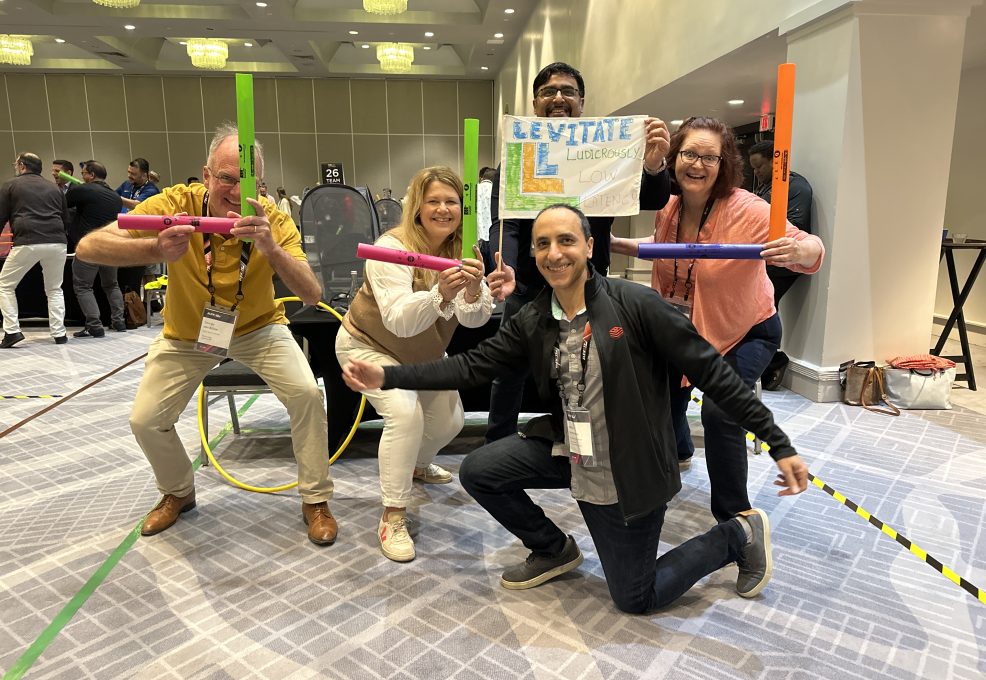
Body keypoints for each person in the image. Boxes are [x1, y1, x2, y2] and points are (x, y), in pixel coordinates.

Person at [342, 204, 809, 612]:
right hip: (574, 454)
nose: (554, 252)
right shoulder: (532, 318)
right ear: (533, 256)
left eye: (566, 240)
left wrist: (778, 443)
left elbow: (714, 373)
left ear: (589, 246)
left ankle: (739, 535)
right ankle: (553, 548)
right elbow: (470, 367)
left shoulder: (637, 305)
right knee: (481, 470)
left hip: (630, 471)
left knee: (635, 596)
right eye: (543, 243)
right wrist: (388, 375)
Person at [76, 123, 338, 545]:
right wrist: (154, 250)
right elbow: (90, 246)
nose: (236, 191)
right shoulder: (175, 203)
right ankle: (178, 491)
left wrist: (270, 247)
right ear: (207, 173)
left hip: (258, 328)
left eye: (248, 181)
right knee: (145, 419)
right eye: (227, 179)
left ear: (263, 184)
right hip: (186, 335)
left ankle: (315, 498)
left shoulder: (272, 218)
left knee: (307, 394)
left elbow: (311, 293)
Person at [611, 116, 823, 523]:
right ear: (675, 158)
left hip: (743, 332)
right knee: (651, 394)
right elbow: (662, 247)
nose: (698, 164)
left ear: (724, 164)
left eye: (710, 157)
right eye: (690, 153)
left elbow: (808, 245)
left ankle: (736, 521)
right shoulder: (669, 206)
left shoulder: (747, 208)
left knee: (719, 412)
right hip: (682, 330)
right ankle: (679, 451)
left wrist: (803, 252)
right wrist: (613, 243)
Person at [486, 61, 673, 443]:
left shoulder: (606, 153)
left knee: (584, 368)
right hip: (528, 286)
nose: (558, 98)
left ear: (581, 102)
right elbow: (505, 224)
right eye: (548, 91)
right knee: (509, 370)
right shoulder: (520, 156)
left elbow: (653, 197)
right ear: (535, 104)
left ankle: (577, 441)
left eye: (567, 92)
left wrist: (654, 164)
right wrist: (504, 264)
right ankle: (497, 444)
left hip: (588, 288)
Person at [335, 166, 492, 562]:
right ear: (417, 207)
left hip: (422, 354)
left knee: (450, 421)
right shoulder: (392, 246)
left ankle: (417, 467)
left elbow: (475, 320)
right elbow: (399, 322)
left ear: (463, 207)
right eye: (433, 201)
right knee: (406, 416)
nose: (442, 209)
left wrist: (474, 290)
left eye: (451, 201)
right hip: (367, 344)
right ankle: (393, 513)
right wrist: (440, 294)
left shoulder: (466, 249)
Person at [747, 139, 816, 389]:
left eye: (759, 167)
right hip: (766, 260)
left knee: (764, 310)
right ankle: (766, 364)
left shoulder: (795, 187)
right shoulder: (767, 189)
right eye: (753, 168)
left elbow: (794, 229)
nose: (756, 173)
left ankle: (771, 363)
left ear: (775, 163)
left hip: (782, 264)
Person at [0, 152, 70, 348]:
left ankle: (12, 331)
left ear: (22, 165)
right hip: (57, 241)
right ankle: (59, 333)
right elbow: (65, 219)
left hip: (28, 239)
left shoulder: (11, 185)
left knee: (5, 285)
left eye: (16, 163)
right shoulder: (55, 188)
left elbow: (1, 216)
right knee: (55, 289)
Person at [67, 160, 127, 337]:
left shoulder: (84, 189)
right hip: (111, 246)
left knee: (83, 286)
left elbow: (63, 202)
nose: (82, 177)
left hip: (90, 246)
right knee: (111, 284)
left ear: (91, 175)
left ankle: (94, 325)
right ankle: (119, 321)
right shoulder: (115, 197)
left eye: (84, 173)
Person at [476, 166, 496, 273]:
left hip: (477, 239)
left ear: (481, 178)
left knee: (479, 273)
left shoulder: (474, 190)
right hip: (492, 237)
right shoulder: (496, 193)